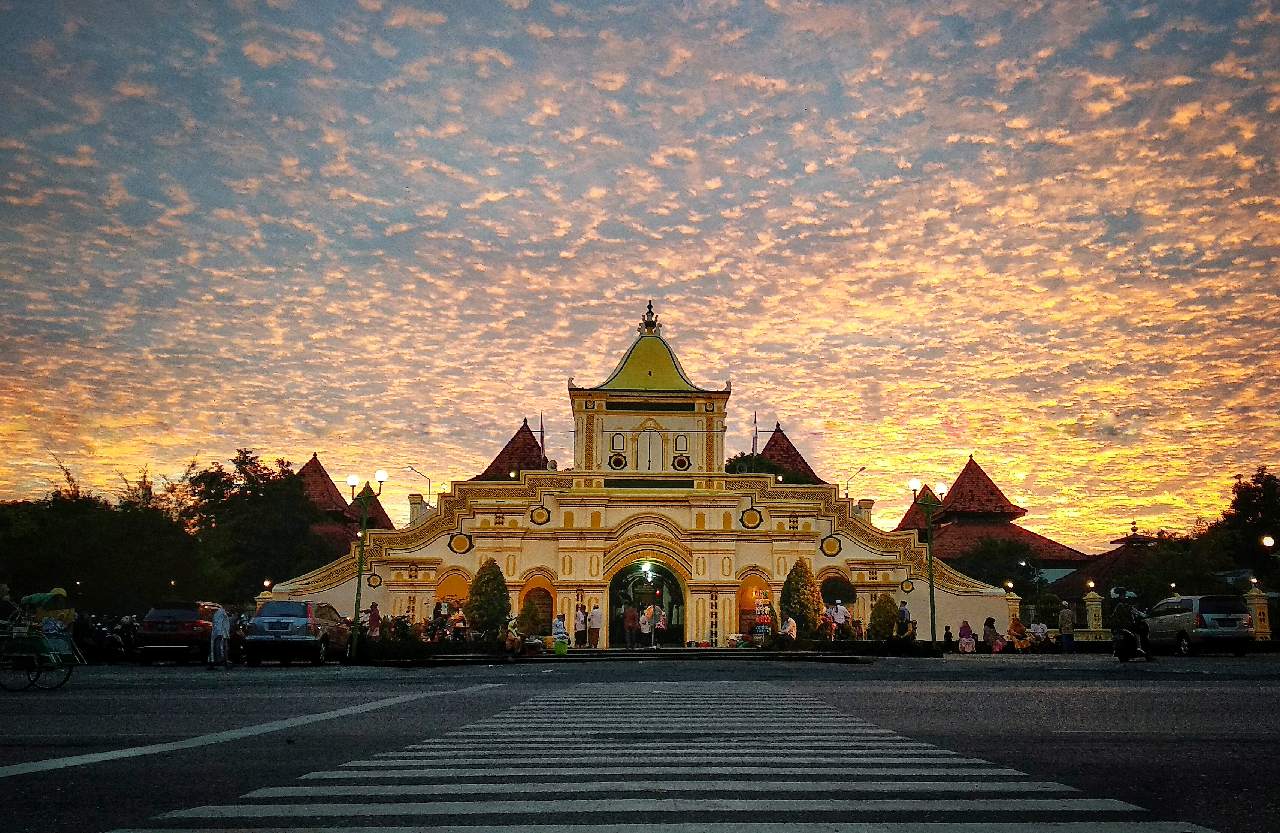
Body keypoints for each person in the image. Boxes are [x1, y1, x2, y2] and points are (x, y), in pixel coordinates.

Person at [207, 605, 230, 670]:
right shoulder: (221, 613)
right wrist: (220, 633)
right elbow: (219, 623)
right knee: (220, 648)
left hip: (221, 633)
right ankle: (220, 662)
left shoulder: (220, 613)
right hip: (221, 634)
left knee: (219, 648)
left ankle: (218, 662)